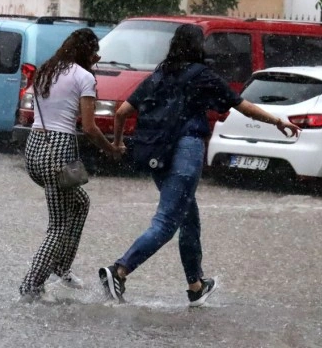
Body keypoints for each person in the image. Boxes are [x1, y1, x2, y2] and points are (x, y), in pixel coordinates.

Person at [99, 24, 301, 307]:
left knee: (188, 219)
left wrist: (118, 144)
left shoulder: (158, 75)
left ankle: (195, 286)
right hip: (186, 150)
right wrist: (278, 121)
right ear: (198, 47)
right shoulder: (201, 75)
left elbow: (121, 112)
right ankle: (119, 270)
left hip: (158, 154)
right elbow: (241, 105)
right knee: (168, 221)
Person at [19, 28, 121, 301]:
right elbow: (88, 127)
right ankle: (30, 286)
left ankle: (61, 267)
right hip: (59, 151)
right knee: (58, 226)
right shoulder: (84, 77)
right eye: (95, 52)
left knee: (81, 203)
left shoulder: (46, 70)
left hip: (33, 148)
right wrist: (110, 148)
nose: (97, 57)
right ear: (86, 52)